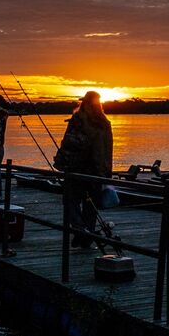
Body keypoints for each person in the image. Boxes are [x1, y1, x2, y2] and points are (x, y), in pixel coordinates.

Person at [54, 91, 115, 247]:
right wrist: (107, 172)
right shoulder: (105, 123)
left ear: (86, 104)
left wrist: (61, 161)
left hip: (77, 169)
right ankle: (85, 234)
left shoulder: (77, 121)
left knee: (70, 202)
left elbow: (65, 143)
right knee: (90, 207)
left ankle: (81, 231)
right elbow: (109, 150)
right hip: (96, 171)